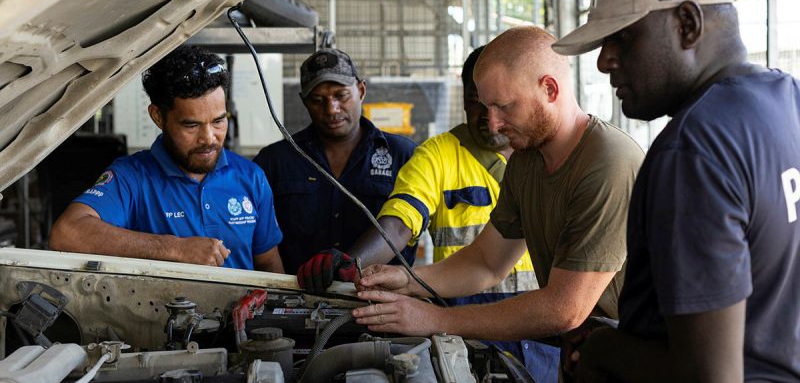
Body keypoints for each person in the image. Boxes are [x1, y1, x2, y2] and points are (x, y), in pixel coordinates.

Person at [552, 0, 800, 381]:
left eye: (622, 37)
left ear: (687, 23)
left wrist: (605, 350)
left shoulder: (692, 151)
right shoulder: (788, 103)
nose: (605, 61)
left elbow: (710, 376)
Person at [351, 26, 644, 378]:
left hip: (635, 359)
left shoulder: (607, 163)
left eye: (504, 106)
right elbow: (487, 261)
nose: (493, 123)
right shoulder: (527, 161)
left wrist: (435, 318)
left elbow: (565, 307)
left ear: (549, 89)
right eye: (485, 106)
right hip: (584, 356)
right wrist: (409, 280)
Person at [297, 46, 548, 378]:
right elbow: (399, 223)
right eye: (477, 102)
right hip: (468, 338)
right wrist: (351, 264)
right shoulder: (437, 155)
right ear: (463, 97)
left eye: (501, 105)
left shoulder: (552, 159)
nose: (489, 118)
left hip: (546, 337)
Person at [50, 45, 284, 272]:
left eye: (218, 121)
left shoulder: (251, 177)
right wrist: (175, 249)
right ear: (158, 116)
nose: (209, 138)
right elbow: (67, 233)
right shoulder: (132, 177)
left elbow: (268, 265)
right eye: (191, 124)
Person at [253, 48, 417, 276]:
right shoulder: (275, 162)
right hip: (300, 302)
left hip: (382, 302)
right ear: (304, 102)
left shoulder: (403, 155)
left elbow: (403, 229)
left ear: (361, 91)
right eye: (318, 100)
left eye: (341, 96)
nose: (331, 109)